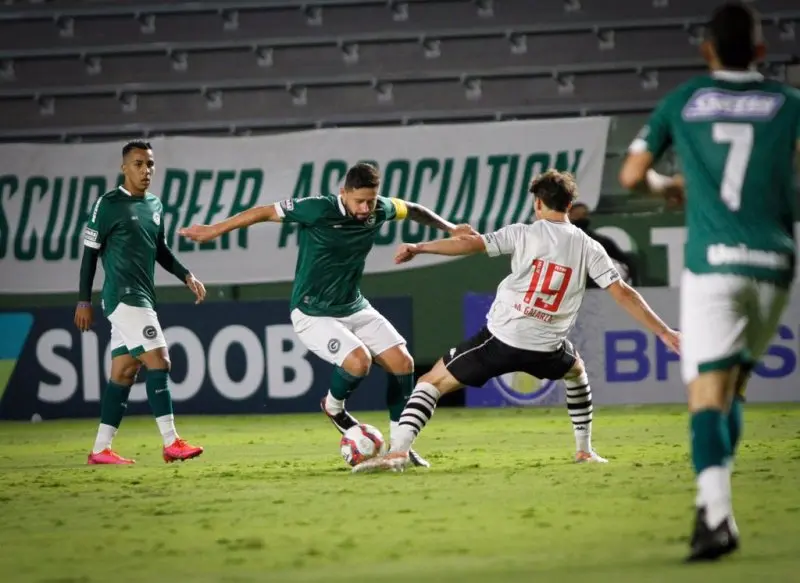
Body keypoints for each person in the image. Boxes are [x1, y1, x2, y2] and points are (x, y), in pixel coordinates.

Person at [618, 1, 799, 561]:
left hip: (713, 264)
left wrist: (666, 187)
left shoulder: (684, 101)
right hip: (774, 263)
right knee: (733, 389)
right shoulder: (789, 102)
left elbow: (629, 176)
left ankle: (716, 516)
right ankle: (713, 503)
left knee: (704, 396)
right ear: (763, 52)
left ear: (706, 51)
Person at [353, 169, 680, 473]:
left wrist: (420, 247)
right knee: (576, 370)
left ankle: (398, 451)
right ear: (569, 204)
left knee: (430, 382)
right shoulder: (590, 246)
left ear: (538, 203)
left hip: (501, 340)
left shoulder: (523, 233)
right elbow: (623, 292)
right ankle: (584, 450)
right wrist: (664, 332)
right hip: (547, 347)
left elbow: (469, 244)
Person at [179, 162, 476, 468]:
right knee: (358, 361)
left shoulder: (379, 209)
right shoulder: (318, 209)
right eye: (358, 200)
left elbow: (412, 208)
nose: (364, 208)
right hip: (312, 312)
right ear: (342, 193)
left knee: (403, 362)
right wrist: (213, 230)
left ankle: (399, 446)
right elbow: (264, 211)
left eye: (370, 201)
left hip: (354, 306)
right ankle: (334, 407)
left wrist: (451, 228)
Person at [75, 140, 207, 465]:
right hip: (124, 297)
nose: (145, 170)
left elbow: (159, 248)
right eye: (138, 164)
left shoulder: (155, 206)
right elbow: (89, 255)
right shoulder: (107, 205)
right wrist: (82, 300)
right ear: (124, 168)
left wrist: (186, 275)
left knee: (124, 372)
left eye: (149, 164)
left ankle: (100, 449)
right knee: (159, 360)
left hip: (143, 296)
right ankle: (171, 442)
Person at [568, 202, 638, 285]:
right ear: (569, 216)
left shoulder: (600, 241)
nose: (582, 217)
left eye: (585, 215)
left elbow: (625, 260)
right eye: (577, 215)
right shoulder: (561, 240)